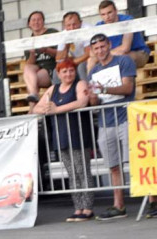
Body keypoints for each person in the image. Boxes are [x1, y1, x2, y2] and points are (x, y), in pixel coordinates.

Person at [32, 59, 94, 221]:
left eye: (71, 70)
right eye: (64, 71)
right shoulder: (54, 89)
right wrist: (46, 108)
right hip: (62, 135)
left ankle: (87, 207)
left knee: (82, 170)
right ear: (58, 74)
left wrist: (57, 109)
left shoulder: (80, 85)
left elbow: (82, 102)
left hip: (78, 133)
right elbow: (36, 108)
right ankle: (78, 207)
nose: (68, 74)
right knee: (72, 173)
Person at [87, 32, 136, 221]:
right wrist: (91, 96)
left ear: (109, 45)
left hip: (126, 118)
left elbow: (128, 88)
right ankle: (119, 205)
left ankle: (152, 200)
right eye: (96, 48)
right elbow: (94, 102)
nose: (100, 50)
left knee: (134, 162)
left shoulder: (124, 61)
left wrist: (104, 89)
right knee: (113, 166)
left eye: (102, 46)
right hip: (105, 122)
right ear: (92, 51)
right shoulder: (92, 72)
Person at [92, 0, 151, 70]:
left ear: (116, 11)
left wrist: (104, 54)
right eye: (103, 14)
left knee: (122, 58)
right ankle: (90, 81)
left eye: (109, 12)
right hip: (112, 55)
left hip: (138, 52)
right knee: (91, 61)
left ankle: (124, 80)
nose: (107, 17)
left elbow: (125, 48)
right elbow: (92, 52)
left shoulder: (127, 20)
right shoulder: (99, 26)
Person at [23, 11, 60, 104]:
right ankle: (34, 96)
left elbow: (61, 54)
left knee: (32, 81)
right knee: (27, 68)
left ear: (43, 21)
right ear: (29, 24)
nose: (36, 22)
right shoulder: (29, 40)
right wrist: (32, 53)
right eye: (33, 20)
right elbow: (30, 63)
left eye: (39, 19)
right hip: (38, 68)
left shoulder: (52, 32)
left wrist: (46, 50)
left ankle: (33, 108)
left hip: (52, 67)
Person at [56, 11, 92, 82]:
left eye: (74, 24)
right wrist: (67, 44)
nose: (72, 28)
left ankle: (86, 90)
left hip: (90, 59)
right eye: (68, 25)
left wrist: (73, 62)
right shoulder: (64, 34)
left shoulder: (87, 29)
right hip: (76, 60)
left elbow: (88, 53)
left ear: (80, 23)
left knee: (81, 67)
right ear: (64, 26)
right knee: (58, 69)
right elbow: (58, 59)